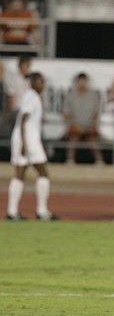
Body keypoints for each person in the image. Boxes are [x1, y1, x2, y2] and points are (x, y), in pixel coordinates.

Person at [6, 72, 58, 221]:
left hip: (27, 138)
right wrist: (24, 144)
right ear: (33, 82)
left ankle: (13, 211)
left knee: (21, 174)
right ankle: (41, 211)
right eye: (41, 82)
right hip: (27, 139)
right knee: (42, 172)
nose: (43, 85)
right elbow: (23, 119)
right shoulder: (32, 96)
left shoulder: (32, 96)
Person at [63, 72, 103, 165]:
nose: (82, 84)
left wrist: (89, 125)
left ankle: (100, 161)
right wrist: (75, 125)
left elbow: (96, 113)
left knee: (93, 141)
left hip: (89, 126)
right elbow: (66, 113)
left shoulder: (93, 96)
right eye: (80, 82)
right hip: (75, 125)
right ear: (76, 82)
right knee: (73, 140)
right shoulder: (70, 96)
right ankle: (70, 160)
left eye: (84, 82)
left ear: (87, 82)